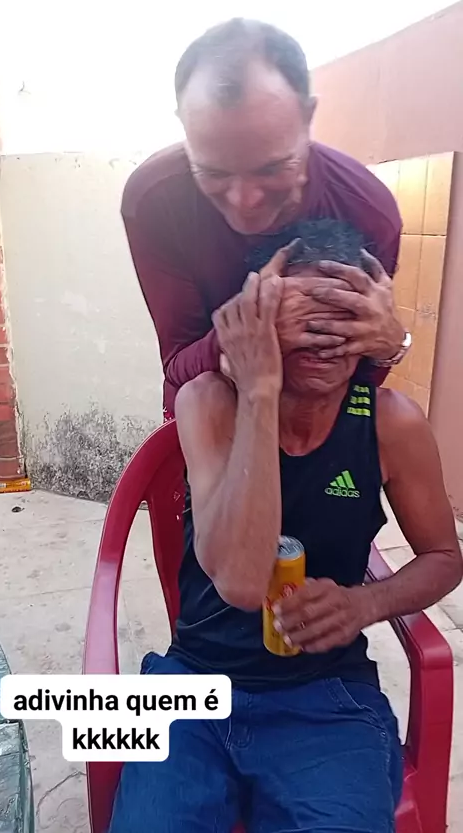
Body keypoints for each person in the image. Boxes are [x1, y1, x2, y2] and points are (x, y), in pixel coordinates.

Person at [109, 234, 463, 833]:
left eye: (343, 317)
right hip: (195, 683)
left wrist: (365, 602)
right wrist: (260, 390)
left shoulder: (389, 423)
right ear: (258, 323)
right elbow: (243, 582)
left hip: (326, 694)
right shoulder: (210, 402)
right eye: (301, 316)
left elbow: (443, 555)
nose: (323, 339)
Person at [121, 18, 411, 420]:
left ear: (308, 117)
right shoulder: (156, 200)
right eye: (214, 173)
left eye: (272, 168)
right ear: (184, 125)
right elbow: (178, 366)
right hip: (207, 417)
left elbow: (362, 367)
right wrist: (254, 330)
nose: (245, 201)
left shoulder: (367, 209)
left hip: (319, 425)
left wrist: (393, 344)